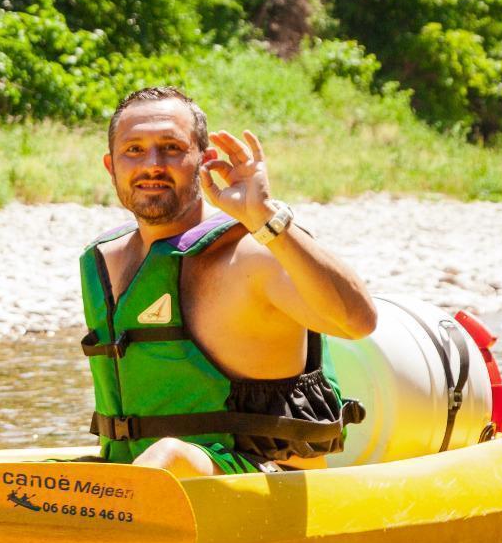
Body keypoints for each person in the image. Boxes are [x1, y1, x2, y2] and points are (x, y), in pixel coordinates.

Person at [81, 86, 377, 477]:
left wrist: (266, 217)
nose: (152, 163)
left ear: (203, 161)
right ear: (111, 165)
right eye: (133, 149)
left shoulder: (252, 254)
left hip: (261, 485)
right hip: (139, 484)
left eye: (171, 147)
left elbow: (357, 322)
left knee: (168, 456)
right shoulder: (105, 260)